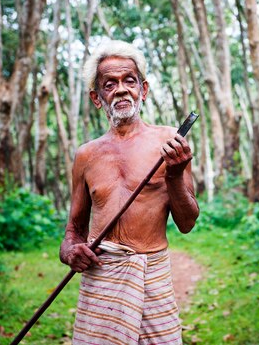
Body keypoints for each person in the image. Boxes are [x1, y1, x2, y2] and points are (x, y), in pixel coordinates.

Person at [60, 40, 200, 345]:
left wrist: (174, 176)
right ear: (97, 98)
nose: (121, 89)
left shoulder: (169, 142)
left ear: (143, 90)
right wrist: (71, 252)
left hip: (152, 273)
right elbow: (73, 230)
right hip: (103, 278)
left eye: (129, 81)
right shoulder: (86, 155)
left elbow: (187, 223)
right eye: (110, 84)